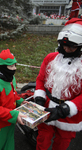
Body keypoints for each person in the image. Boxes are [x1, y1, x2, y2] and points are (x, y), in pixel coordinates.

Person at [34, 18, 82, 150]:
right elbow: (40, 80)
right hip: (47, 107)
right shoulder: (50, 58)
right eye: (64, 45)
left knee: (62, 144)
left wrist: (66, 108)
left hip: (69, 116)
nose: (66, 49)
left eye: (72, 46)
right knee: (42, 141)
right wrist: (39, 97)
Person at [0, 49, 28, 150]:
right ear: (3, 67)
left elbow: (12, 94)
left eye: (15, 65)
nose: (14, 68)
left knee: (8, 145)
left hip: (9, 121)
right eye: (11, 66)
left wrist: (21, 102)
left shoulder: (11, 79)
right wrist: (14, 115)